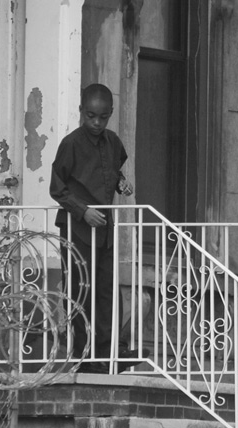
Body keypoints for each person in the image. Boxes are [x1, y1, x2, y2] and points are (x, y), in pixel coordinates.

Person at [50, 83, 139, 373]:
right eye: (91, 116)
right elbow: (57, 189)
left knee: (106, 291)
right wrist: (83, 211)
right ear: (80, 112)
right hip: (77, 228)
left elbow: (113, 170)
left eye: (103, 117)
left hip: (104, 228)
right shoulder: (71, 143)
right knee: (80, 291)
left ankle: (110, 352)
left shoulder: (113, 142)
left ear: (110, 114)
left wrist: (120, 182)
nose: (97, 123)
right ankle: (83, 357)